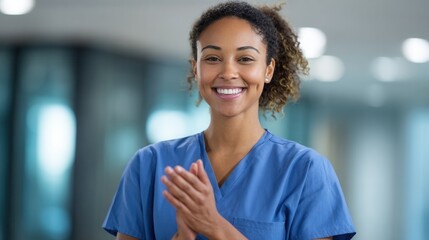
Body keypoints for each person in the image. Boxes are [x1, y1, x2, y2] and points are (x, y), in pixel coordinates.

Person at [102, 1, 356, 239]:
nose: (228, 72)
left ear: (268, 70)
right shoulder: (149, 165)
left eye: (245, 59)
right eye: (212, 58)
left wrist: (215, 225)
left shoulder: (305, 171)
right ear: (196, 69)